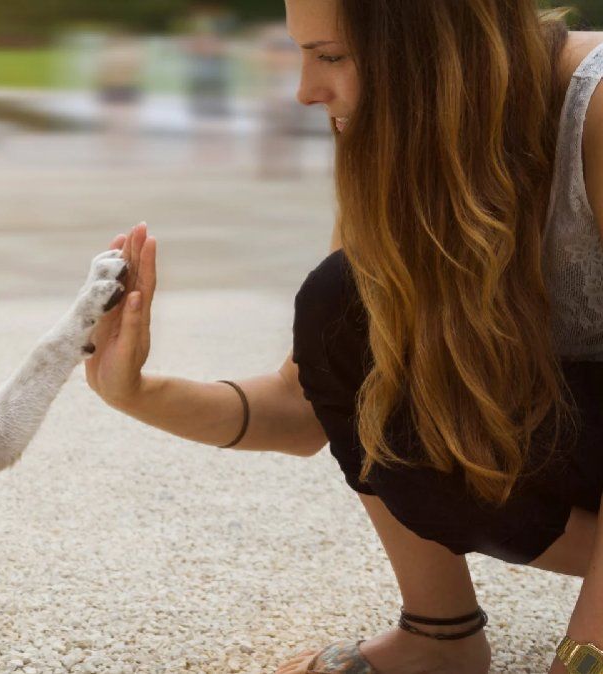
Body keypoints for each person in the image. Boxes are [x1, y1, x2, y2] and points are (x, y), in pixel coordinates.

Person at [85, 1, 603, 673]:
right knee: (346, 304)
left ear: (437, 45)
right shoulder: (409, 134)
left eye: (330, 57)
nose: (305, 91)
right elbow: (311, 406)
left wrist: (584, 657)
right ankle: (438, 636)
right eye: (301, 54)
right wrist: (133, 392)